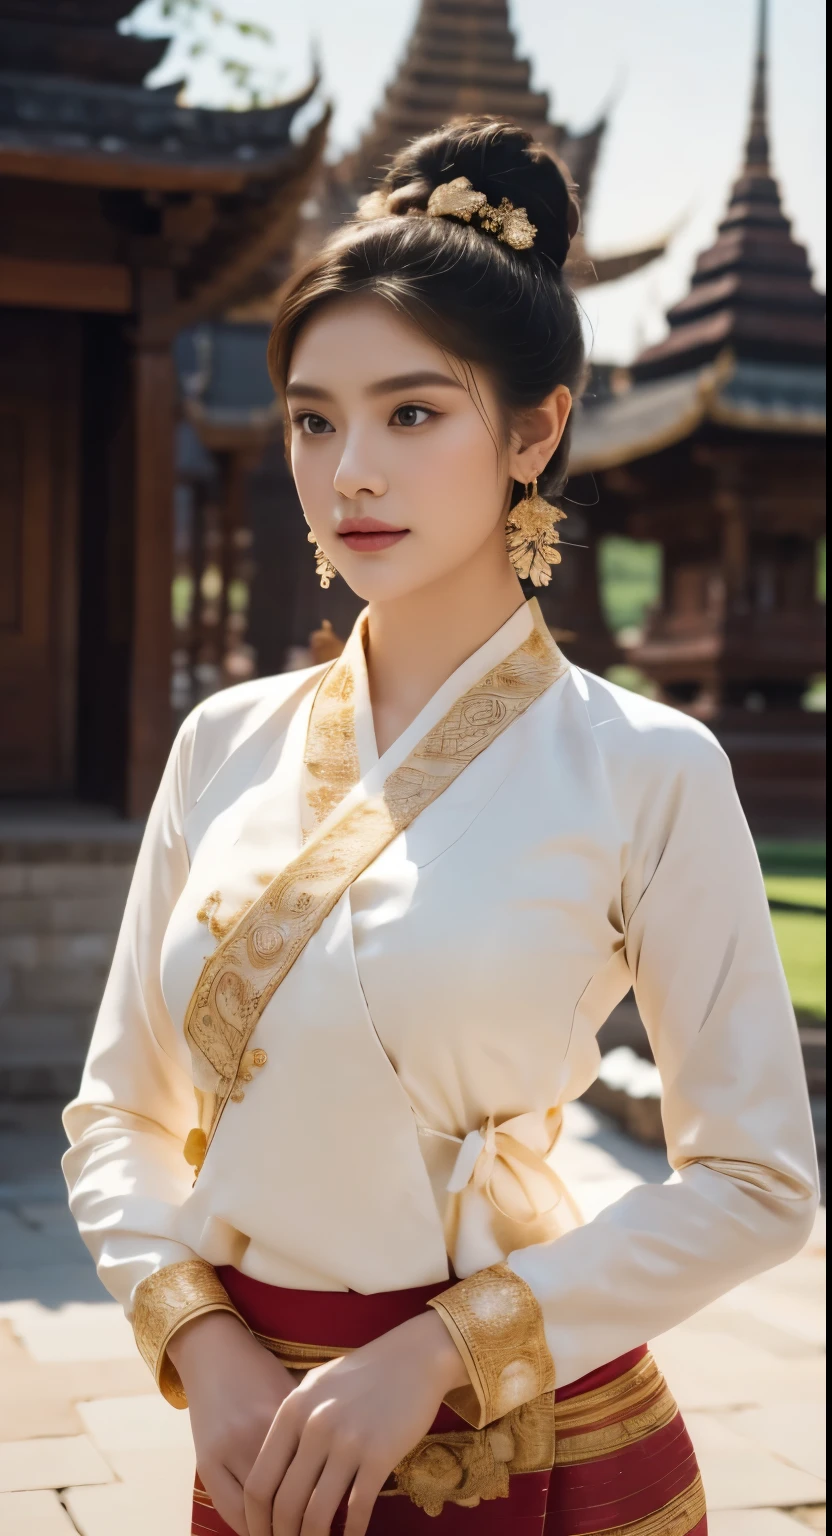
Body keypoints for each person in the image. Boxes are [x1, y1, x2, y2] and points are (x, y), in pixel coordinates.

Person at [63, 118, 819, 1536]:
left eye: (413, 413)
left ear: (537, 429)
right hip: (263, 1444)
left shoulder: (645, 766)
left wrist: (439, 1353)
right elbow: (119, 1111)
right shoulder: (222, 745)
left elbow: (758, 1179)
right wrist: (197, 1341)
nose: (350, 469)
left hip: (526, 1431)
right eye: (312, 417)